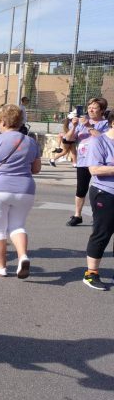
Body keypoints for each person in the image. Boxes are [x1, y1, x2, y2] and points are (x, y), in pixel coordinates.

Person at [0, 105, 42, 278]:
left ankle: (0, 266)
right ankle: (23, 256)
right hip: (25, 189)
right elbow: (36, 169)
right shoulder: (31, 142)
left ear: (3, 122)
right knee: (18, 226)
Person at [81, 110, 114, 290]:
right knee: (102, 232)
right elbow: (94, 169)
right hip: (105, 192)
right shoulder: (99, 141)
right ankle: (91, 274)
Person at [64, 97, 109, 226]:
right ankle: (77, 215)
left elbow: (104, 139)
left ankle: (98, 216)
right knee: (81, 189)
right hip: (83, 161)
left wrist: (88, 126)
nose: (90, 110)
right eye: (89, 107)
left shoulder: (106, 124)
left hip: (100, 162)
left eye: (94, 108)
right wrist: (74, 126)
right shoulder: (81, 122)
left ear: (102, 110)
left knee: (100, 190)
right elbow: (68, 139)